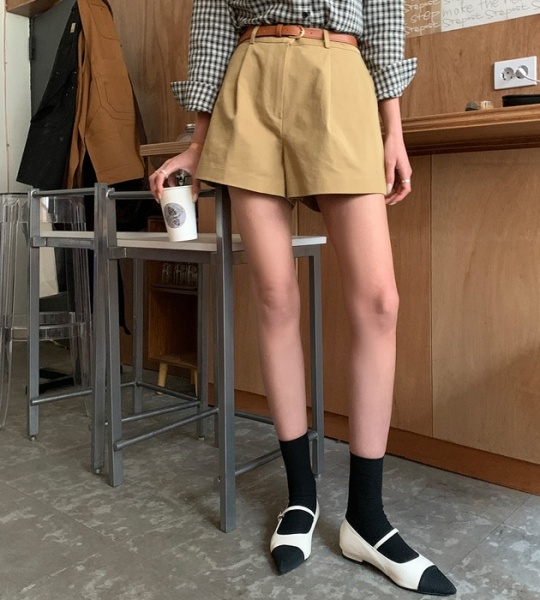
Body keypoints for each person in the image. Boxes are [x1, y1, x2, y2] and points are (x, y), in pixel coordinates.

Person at [150, 1, 456, 595]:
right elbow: (212, 23)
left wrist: (393, 129)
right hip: (250, 80)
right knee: (274, 296)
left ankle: (367, 518)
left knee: (379, 302)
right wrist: (197, 142)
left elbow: (383, 16)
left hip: (341, 75)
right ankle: (301, 497)